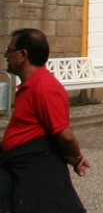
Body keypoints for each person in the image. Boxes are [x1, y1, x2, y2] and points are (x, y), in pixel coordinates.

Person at [0, 28, 89, 212]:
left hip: (35, 167)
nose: (6, 56)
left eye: (9, 51)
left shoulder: (45, 88)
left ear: (23, 55)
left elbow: (65, 135)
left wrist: (76, 156)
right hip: (19, 166)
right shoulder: (31, 85)